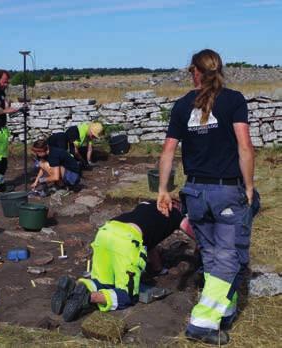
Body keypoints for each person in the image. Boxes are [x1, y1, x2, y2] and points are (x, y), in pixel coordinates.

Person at [157, 49, 260, 345]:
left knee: (214, 253)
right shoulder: (234, 100)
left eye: (191, 71)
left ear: (196, 72)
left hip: (195, 192)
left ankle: (224, 309)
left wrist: (163, 190)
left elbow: (167, 152)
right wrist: (249, 185)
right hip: (226, 190)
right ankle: (202, 323)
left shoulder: (180, 107)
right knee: (229, 257)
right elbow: (245, 146)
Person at [51, 200, 194, 322]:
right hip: (127, 239)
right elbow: (196, 234)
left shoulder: (147, 204)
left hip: (106, 231)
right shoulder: (177, 214)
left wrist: (158, 269)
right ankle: (89, 298)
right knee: (127, 296)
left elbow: (150, 246)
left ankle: (74, 287)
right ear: (178, 206)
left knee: (104, 282)